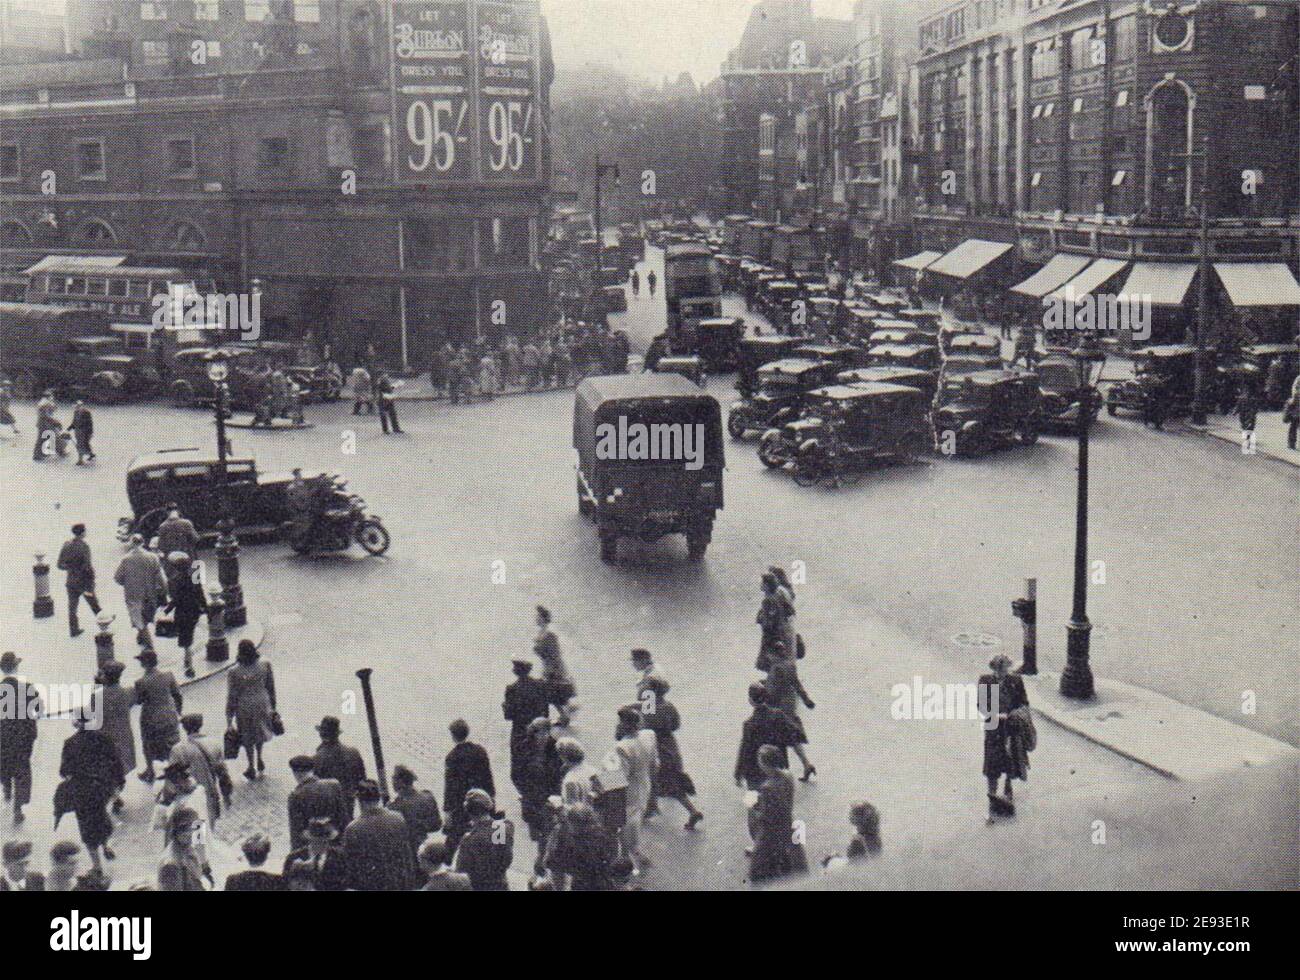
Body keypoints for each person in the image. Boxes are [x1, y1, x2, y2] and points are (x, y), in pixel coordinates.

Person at [59, 712, 124, 873]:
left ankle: (96, 865)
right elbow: (116, 762)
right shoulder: (104, 739)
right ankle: (106, 845)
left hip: (82, 791)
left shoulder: (70, 743)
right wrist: (118, 783)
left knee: (87, 826)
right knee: (101, 816)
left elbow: (64, 770)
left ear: (76, 724)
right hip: (102, 789)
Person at [637, 675, 703, 830]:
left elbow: (644, 726)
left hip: (655, 745)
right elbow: (676, 725)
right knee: (668, 779)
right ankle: (651, 807)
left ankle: (692, 811)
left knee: (660, 780)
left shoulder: (649, 706)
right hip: (670, 744)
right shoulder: (669, 706)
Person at [980, 654, 1032, 821]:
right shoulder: (986, 681)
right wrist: (996, 715)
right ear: (993, 669)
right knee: (992, 763)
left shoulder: (1015, 681)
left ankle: (1008, 788)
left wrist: (1016, 714)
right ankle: (992, 794)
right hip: (993, 728)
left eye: (1003, 670)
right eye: (998, 670)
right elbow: (981, 705)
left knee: (1011, 759)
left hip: (1011, 727)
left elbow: (1024, 703)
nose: (1001, 673)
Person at [748, 744, 808, 884]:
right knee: (792, 864)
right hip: (788, 826)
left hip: (771, 833)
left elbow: (765, 817)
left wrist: (752, 807)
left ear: (764, 763)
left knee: (758, 871)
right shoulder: (788, 776)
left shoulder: (767, 787)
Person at [343, 779, 416, 891]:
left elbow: (352, 867)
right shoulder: (398, 818)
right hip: (400, 882)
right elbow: (407, 854)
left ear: (360, 801)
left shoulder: (353, 828)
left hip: (373, 885)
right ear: (379, 798)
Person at [764, 640, 817, 781]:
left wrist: (764, 694)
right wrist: (806, 700)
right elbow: (797, 684)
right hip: (790, 705)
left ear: (773, 654)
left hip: (779, 708)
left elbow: (773, 691)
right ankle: (807, 764)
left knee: (779, 739)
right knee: (793, 737)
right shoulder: (789, 665)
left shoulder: (776, 669)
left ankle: (781, 771)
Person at [614, 706, 658, 871]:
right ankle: (633, 855)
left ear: (624, 724)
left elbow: (619, 776)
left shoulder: (622, 747)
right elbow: (655, 763)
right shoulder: (649, 735)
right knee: (633, 821)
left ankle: (631, 857)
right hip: (644, 784)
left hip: (629, 791)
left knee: (626, 825)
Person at [226, 638, 276, 781]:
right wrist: (273, 706)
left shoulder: (234, 671)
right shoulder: (265, 664)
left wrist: (229, 718)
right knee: (260, 732)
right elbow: (271, 687)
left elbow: (232, 695)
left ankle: (250, 765)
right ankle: (260, 757)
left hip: (245, 706)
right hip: (262, 703)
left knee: (247, 736)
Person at [517, 717, 564, 868]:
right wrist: (523, 791)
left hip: (547, 799)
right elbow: (517, 773)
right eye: (540, 734)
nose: (544, 737)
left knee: (545, 834)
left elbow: (559, 774)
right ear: (534, 733)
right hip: (531, 798)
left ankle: (542, 864)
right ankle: (542, 858)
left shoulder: (555, 747)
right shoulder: (524, 747)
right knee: (535, 834)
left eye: (546, 733)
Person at [169, 714, 230, 830]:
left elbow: (172, 778)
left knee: (197, 835)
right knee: (207, 832)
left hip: (189, 799)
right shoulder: (214, 744)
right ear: (200, 725)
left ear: (184, 728)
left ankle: (199, 847)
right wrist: (226, 795)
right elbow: (223, 774)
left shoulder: (178, 749)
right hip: (210, 796)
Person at [735, 682, 799, 791]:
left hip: (757, 771)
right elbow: (793, 737)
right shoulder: (778, 715)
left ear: (750, 701)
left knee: (759, 801)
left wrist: (738, 773)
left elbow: (745, 750)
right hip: (778, 766)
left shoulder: (749, 724)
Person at [503, 652, 551, 797]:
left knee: (518, 767)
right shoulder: (540, 685)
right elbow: (546, 711)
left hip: (520, 732)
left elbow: (508, 715)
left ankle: (527, 795)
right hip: (541, 729)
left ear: (517, 671)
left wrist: (505, 707)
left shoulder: (511, 689)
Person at [0, 651, 40, 824]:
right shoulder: (27, 688)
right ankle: (18, 807)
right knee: (22, 769)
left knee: (4, 763)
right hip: (23, 737)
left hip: (2, 737)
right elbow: (38, 708)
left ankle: (6, 787)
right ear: (16, 667)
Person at [542, 801, 618, 891]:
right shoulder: (602, 833)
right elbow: (613, 853)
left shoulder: (567, 835)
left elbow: (553, 862)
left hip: (589, 881)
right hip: (597, 881)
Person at [443, 719, 494, 850]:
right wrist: (491, 796)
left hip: (463, 802)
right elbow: (488, 777)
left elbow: (450, 787)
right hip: (483, 796)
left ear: (453, 736)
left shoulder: (452, 757)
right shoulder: (480, 751)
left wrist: (448, 811)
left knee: (456, 837)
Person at [133, 648, 182, 784]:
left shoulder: (141, 682)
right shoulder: (169, 675)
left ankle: (150, 771)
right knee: (172, 742)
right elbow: (177, 695)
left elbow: (138, 700)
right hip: (169, 714)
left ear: (145, 663)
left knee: (148, 744)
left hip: (151, 717)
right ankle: (176, 768)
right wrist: (179, 711)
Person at [94, 660, 135, 812]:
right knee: (121, 766)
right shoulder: (128, 692)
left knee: (107, 768)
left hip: (104, 736)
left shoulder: (97, 696)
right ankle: (116, 794)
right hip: (123, 735)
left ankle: (114, 795)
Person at [453, 789, 513, 891]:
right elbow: (501, 855)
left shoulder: (470, 839)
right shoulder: (502, 827)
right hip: (500, 884)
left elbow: (462, 872)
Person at [115, 534, 168, 650]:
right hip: (150, 595)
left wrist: (128, 582)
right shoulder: (152, 557)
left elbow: (117, 578)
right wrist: (164, 592)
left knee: (140, 622)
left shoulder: (126, 559)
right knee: (145, 619)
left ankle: (150, 649)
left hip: (133, 596)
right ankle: (141, 637)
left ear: (131, 543)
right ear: (143, 543)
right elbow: (162, 579)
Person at [287, 756, 350, 850]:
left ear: (296, 773)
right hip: (336, 846)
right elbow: (344, 819)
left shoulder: (295, 796)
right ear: (312, 769)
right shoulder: (334, 785)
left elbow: (297, 833)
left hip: (313, 849)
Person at [164, 553, 207, 678]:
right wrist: (205, 607)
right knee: (189, 635)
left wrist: (167, 610)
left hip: (182, 612)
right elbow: (200, 593)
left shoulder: (174, 580)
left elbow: (176, 598)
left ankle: (189, 665)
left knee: (185, 639)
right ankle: (187, 660)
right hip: (193, 611)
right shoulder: (194, 577)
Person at [387, 765, 441, 862]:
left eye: (394, 778)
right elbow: (436, 825)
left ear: (401, 782)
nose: (392, 781)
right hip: (423, 847)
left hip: (405, 852)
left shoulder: (395, 806)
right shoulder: (427, 796)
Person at [533, 606, 575, 726]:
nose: (536, 618)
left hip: (553, 668)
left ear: (543, 618)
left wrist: (551, 670)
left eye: (538, 616)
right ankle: (566, 712)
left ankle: (564, 715)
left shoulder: (549, 634)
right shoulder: (542, 633)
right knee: (554, 693)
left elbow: (554, 654)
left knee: (552, 692)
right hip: (547, 666)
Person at [57, 524, 100, 639]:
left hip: (71, 581)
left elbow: (59, 565)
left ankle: (73, 629)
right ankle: (103, 622)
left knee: (72, 608)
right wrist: (91, 580)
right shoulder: (84, 546)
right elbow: (87, 566)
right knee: (93, 603)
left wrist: (71, 568)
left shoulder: (66, 545)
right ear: (82, 533)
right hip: (84, 582)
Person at [283, 816, 349, 891]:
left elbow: (344, 884)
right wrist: (295, 870)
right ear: (310, 839)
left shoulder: (339, 857)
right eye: (316, 840)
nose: (320, 843)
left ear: (329, 839)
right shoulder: (293, 858)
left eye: (324, 840)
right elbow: (285, 885)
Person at [157, 806, 211, 891]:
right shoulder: (170, 863)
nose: (192, 833)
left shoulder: (187, 850)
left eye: (196, 829)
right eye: (186, 829)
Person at [556, 737, 598, 809]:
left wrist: (558, 806)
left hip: (581, 817)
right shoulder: (593, 771)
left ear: (563, 756)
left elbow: (572, 811)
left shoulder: (570, 780)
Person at [1286, 371, 1300, 451]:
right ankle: (1291, 443)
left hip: (1297, 404)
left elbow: (1294, 388)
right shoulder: (1299, 378)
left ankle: (1291, 443)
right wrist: (1294, 399)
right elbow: (1294, 389)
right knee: (1294, 424)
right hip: (1297, 405)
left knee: (1294, 425)